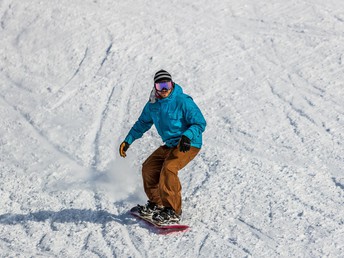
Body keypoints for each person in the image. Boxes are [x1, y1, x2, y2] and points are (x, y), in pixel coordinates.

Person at [119, 69, 206, 224]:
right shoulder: (153, 105)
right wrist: (128, 140)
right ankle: (157, 203)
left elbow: (200, 122)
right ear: (155, 87)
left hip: (189, 143)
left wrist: (187, 136)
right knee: (149, 167)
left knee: (169, 167)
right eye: (160, 86)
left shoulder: (183, 101)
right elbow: (142, 123)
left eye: (167, 85)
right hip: (171, 144)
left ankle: (173, 210)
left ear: (172, 84)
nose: (164, 89)